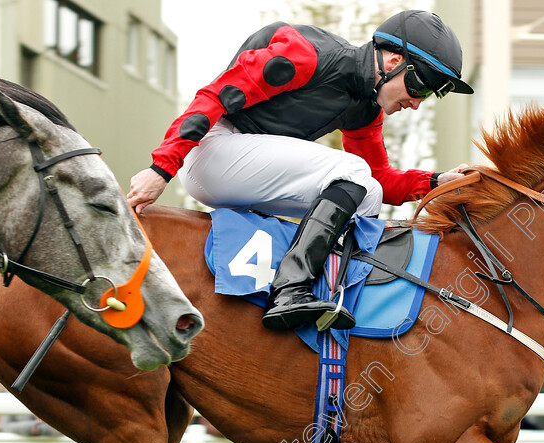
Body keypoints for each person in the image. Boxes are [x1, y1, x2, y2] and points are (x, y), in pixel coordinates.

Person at [126, 10, 473, 332]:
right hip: (210, 151)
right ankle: (290, 289)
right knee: (351, 169)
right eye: (420, 87)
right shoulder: (304, 54)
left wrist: (435, 182)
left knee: (369, 191)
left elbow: (379, 177)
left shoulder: (366, 109)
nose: (416, 102)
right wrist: (160, 169)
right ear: (394, 61)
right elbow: (212, 98)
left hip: (244, 166)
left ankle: (334, 294)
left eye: (428, 96)